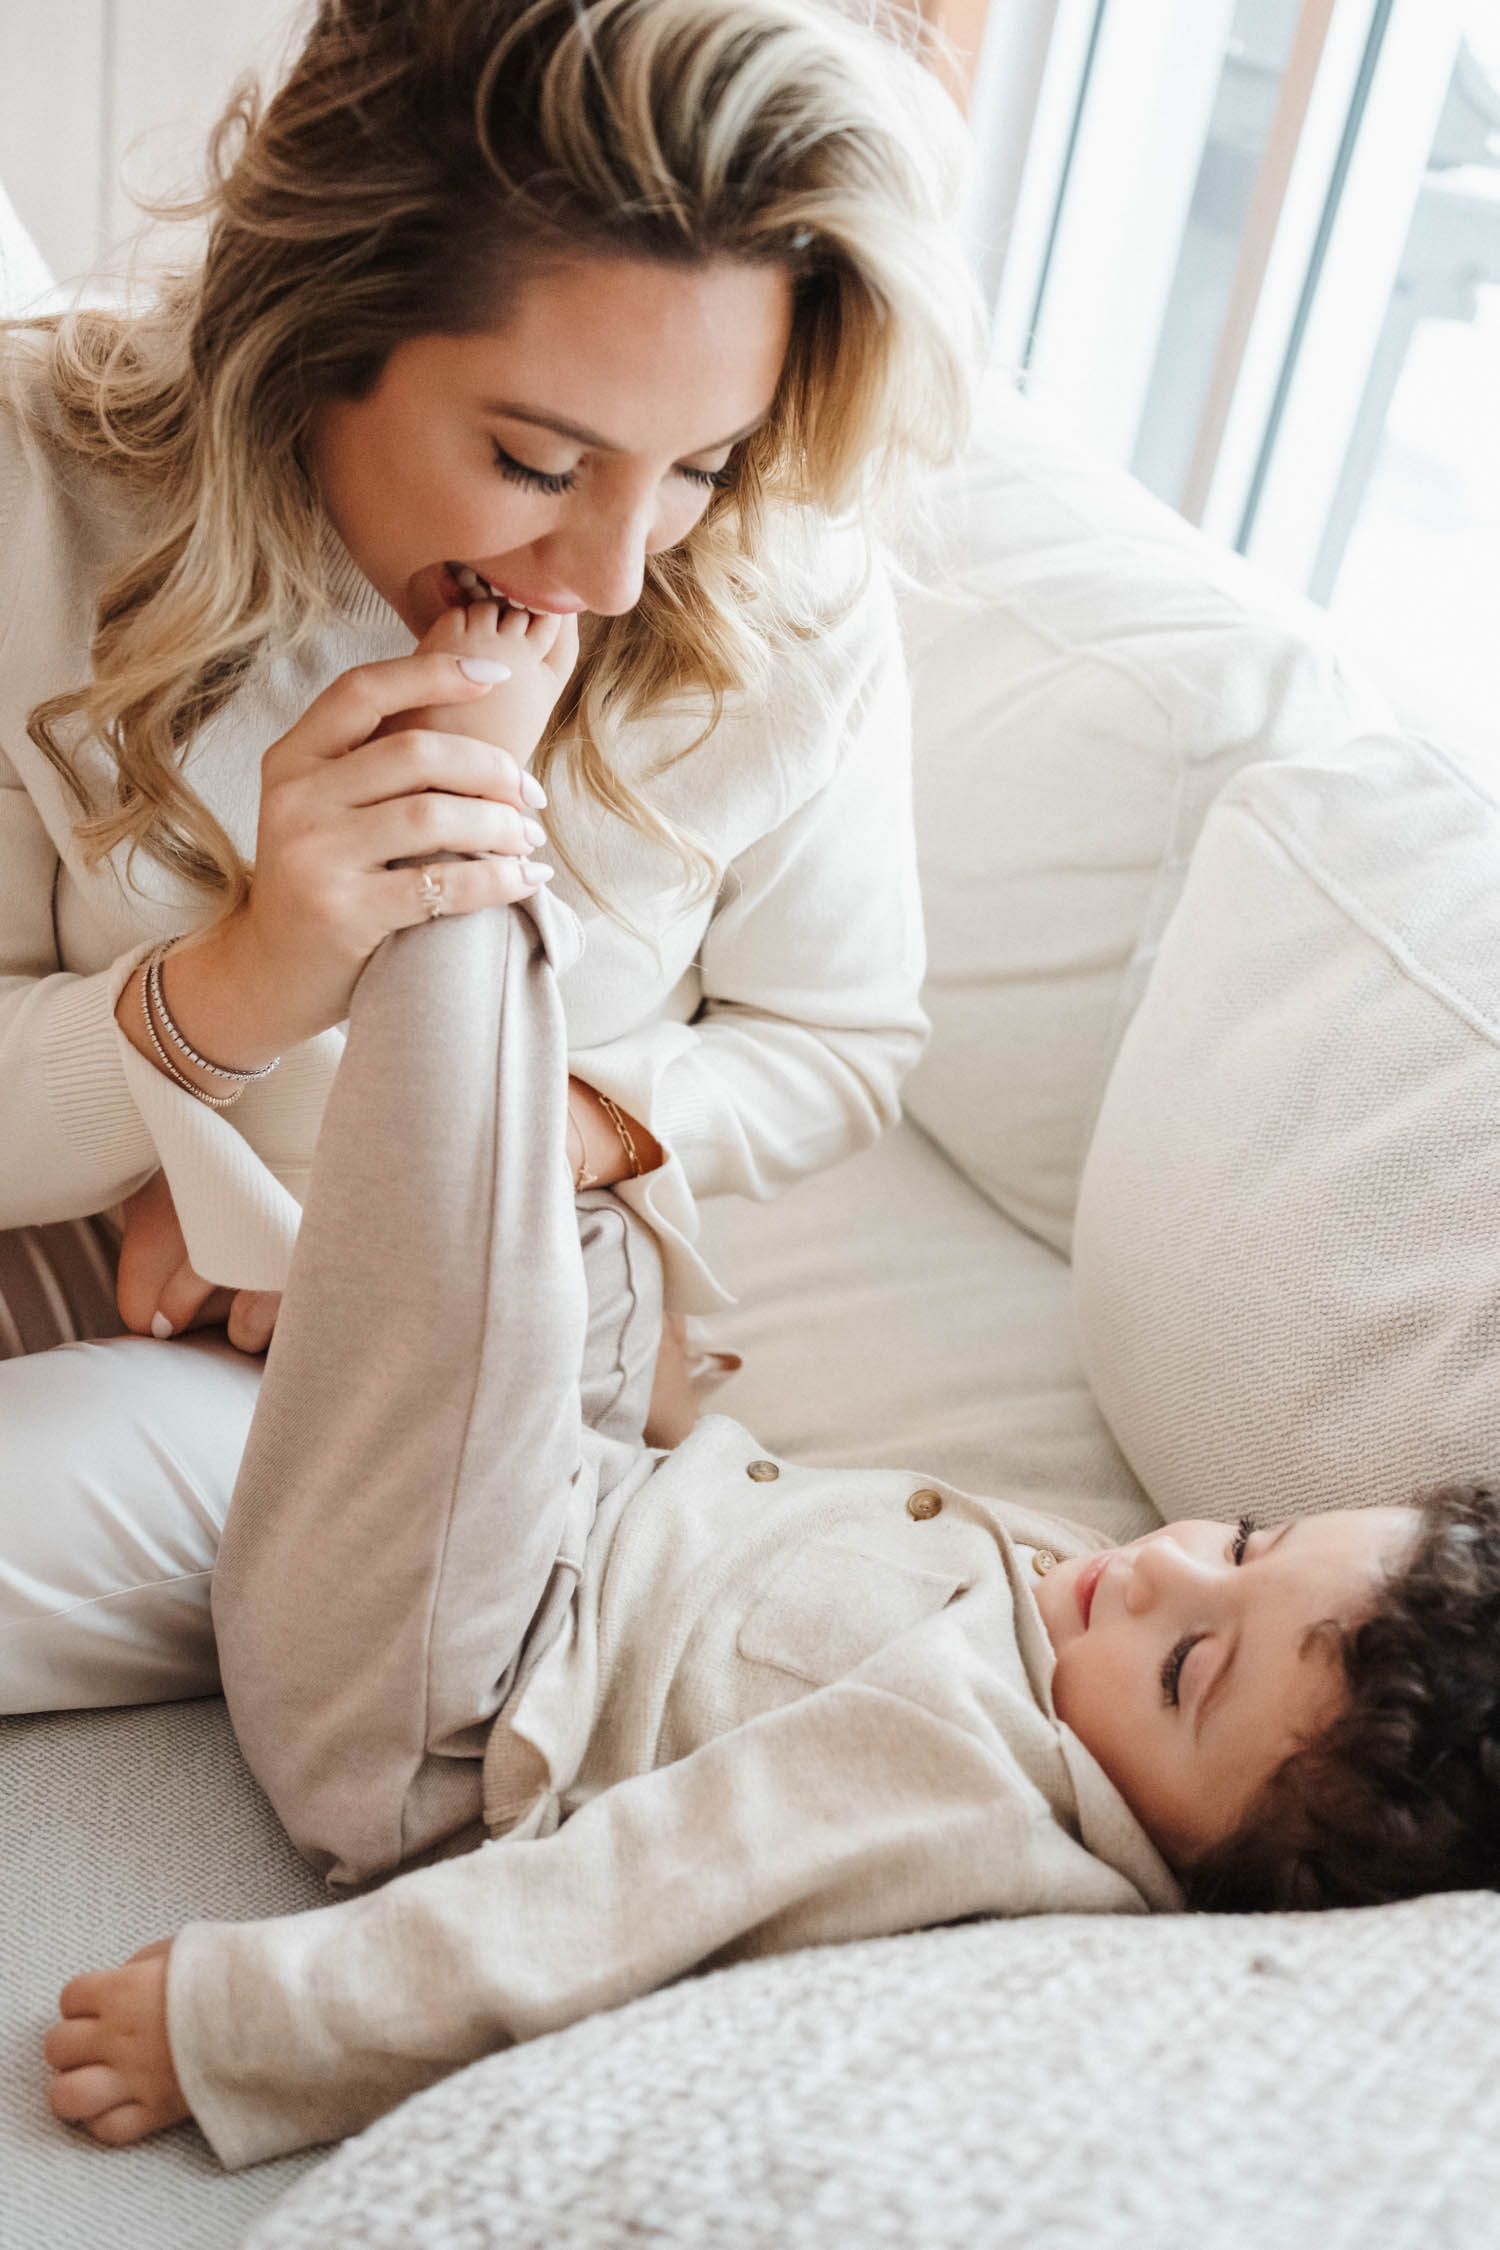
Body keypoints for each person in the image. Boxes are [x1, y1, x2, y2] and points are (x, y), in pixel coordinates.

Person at [41, 888, 1500, 2170]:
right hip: (592, 1504)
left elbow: (604, 1910)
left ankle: (341, 1093)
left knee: (478, 1060)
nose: (1162, 1570)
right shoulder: (1098, 1647)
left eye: (1191, 1668)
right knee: (587, 1227)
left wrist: (241, 2027)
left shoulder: (964, 1782)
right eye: (1243, 1541)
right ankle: (325, 1252)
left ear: (1200, 1869)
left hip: (441, 1691)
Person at [0, 0, 982, 1711]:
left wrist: (409, 1183)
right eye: (536, 460)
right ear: (316, 329)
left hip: (459, 1337)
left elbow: (838, 1044)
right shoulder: (42, 496)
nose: (613, 570)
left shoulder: (788, 588)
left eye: (701, 463)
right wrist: (227, 992)